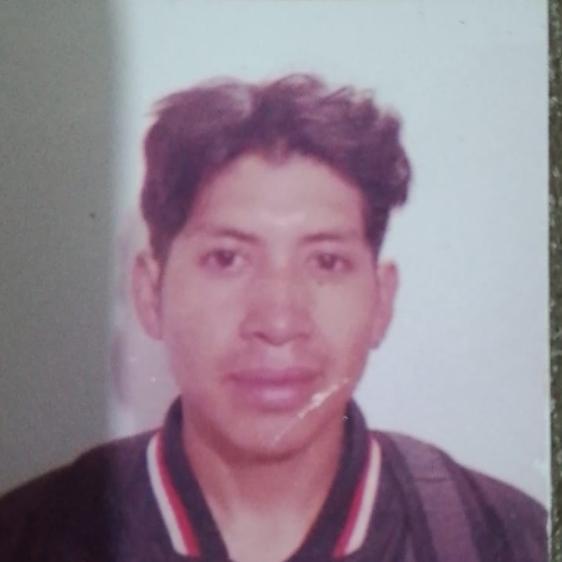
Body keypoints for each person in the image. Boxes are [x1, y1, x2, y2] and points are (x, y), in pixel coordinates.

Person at [0, 74, 547, 562]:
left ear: (381, 302)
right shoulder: (28, 538)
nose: (279, 321)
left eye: (326, 261)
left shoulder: (506, 541)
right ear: (150, 292)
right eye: (226, 259)